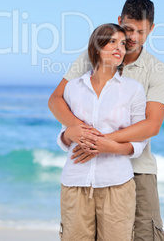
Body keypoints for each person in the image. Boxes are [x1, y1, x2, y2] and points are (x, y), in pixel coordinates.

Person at [49, 0, 164, 241]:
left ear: (152, 30)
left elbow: (152, 125)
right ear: (119, 21)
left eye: (142, 31)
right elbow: (56, 99)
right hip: (90, 170)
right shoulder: (94, 54)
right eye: (128, 29)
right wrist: (81, 133)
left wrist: (104, 143)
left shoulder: (156, 70)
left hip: (138, 168)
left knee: (146, 235)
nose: (134, 38)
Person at [58, 23, 147, 240]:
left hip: (116, 185)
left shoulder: (133, 90)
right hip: (75, 183)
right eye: (112, 42)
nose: (120, 48)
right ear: (96, 47)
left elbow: (140, 138)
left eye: (123, 44)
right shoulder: (73, 88)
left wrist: (111, 147)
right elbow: (64, 133)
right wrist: (69, 134)